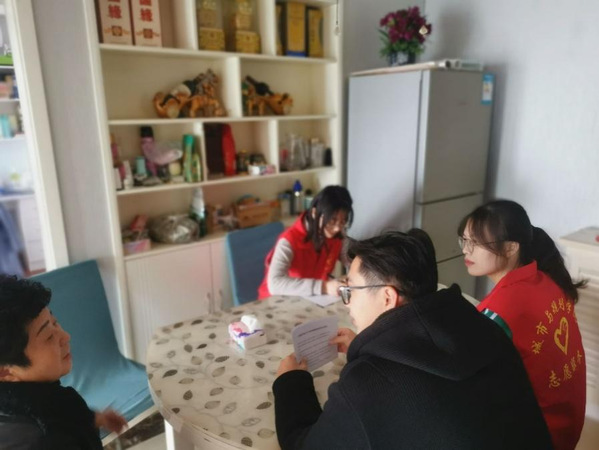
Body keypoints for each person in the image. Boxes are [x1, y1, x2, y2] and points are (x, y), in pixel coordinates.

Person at [272, 230, 552, 450]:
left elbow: (305, 445)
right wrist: (376, 344)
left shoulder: (363, 386)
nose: (347, 303)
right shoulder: (485, 328)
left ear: (387, 297)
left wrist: (290, 383)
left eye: (350, 291)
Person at [458, 199, 586, 450]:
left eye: (476, 243)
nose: (466, 251)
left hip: (537, 435)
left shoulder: (498, 314)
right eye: (464, 240)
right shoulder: (547, 279)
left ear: (510, 248)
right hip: (567, 424)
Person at [0, 275, 127, 449]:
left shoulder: (39, 399)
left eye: (55, 323)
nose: (66, 336)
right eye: (48, 336)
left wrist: (96, 419)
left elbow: (61, 411)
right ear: (5, 371)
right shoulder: (45, 439)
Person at [258, 185, 353, 299]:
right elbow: (274, 284)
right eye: (332, 221)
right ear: (314, 213)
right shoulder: (289, 241)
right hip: (276, 300)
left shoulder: (337, 236)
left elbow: (351, 260)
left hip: (310, 298)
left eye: (342, 222)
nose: (337, 228)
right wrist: (324, 287)